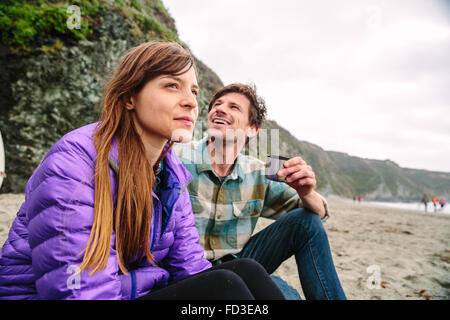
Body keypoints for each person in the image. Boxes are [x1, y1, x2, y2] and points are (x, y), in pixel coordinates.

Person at [0, 42, 283, 300]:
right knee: (225, 286)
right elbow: (80, 292)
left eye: (194, 91)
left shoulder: (171, 174)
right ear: (129, 97)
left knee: (246, 271)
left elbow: (190, 268)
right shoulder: (77, 163)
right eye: (172, 85)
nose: (191, 102)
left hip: (124, 289)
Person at [174, 83, 346, 300]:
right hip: (187, 270)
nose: (220, 109)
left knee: (306, 222)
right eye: (217, 104)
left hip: (240, 264)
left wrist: (306, 192)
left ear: (252, 129)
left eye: (234, 107)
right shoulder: (177, 157)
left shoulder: (259, 172)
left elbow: (320, 215)